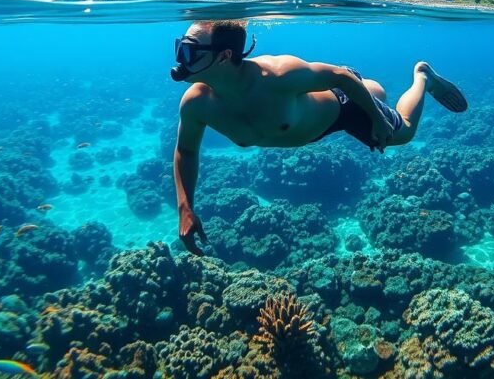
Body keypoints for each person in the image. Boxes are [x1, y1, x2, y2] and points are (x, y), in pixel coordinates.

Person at [170, 20, 468, 255]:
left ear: (224, 56)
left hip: (342, 105)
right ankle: (373, 90)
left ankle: (423, 76)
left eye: (189, 51)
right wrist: (186, 208)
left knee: (401, 132)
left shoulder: (277, 75)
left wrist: (377, 120)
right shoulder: (196, 104)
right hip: (313, 113)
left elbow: (339, 76)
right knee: (374, 91)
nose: (180, 58)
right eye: (179, 47)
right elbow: (186, 151)